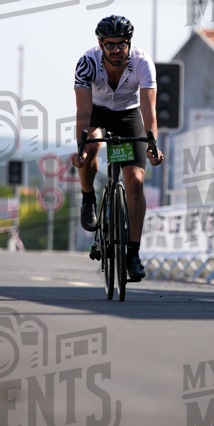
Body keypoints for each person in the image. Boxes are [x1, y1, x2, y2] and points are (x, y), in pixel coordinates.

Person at [71, 15, 163, 281]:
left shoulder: (143, 63)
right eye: (109, 44)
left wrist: (152, 144)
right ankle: (88, 197)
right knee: (91, 148)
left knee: (135, 182)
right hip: (97, 112)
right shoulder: (87, 62)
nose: (116, 49)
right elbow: (83, 112)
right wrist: (82, 148)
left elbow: (149, 110)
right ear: (100, 44)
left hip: (128, 115)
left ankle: (133, 253)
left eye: (122, 43)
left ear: (129, 43)